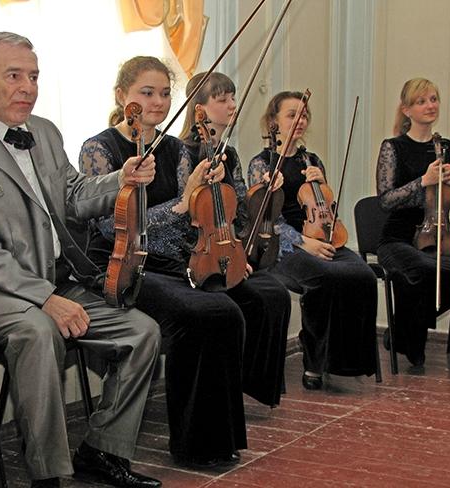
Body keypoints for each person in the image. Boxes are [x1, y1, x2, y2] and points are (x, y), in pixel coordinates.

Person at [0, 32, 162, 488]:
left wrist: (121, 179)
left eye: (33, 77)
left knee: (142, 332)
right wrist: (46, 299)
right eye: (14, 76)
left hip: (52, 280)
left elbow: (72, 195)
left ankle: (103, 451)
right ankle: (47, 477)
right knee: (38, 331)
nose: (28, 87)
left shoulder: (44, 132)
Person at [78, 57, 291, 468]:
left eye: (164, 93)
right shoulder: (98, 148)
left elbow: (185, 224)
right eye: (146, 92)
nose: (158, 101)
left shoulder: (175, 149)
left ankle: (218, 433)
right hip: (120, 262)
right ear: (122, 96)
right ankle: (197, 444)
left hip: (168, 257)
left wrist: (206, 215)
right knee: (209, 311)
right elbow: (110, 227)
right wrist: (182, 204)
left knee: (243, 300)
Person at [248, 91, 378, 390]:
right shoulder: (262, 164)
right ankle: (315, 362)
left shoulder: (311, 159)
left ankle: (347, 360)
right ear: (273, 120)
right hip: (282, 245)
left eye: (304, 115)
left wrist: (321, 183)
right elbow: (264, 219)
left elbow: (324, 206)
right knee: (325, 277)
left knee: (363, 275)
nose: (300, 120)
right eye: (292, 114)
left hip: (320, 234)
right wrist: (302, 242)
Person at [179, 71, 290, 406]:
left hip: (225, 248)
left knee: (276, 295)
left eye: (233, 97)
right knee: (251, 300)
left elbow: (239, 212)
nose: (232, 105)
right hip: (194, 255)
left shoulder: (231, 153)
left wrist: (262, 190)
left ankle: (252, 383)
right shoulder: (182, 151)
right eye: (222, 99)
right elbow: (184, 216)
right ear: (199, 107)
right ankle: (227, 387)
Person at [375, 77, 450, 367]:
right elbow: (386, 200)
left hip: (440, 235)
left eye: (433, 99)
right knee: (420, 269)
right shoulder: (393, 147)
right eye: (421, 101)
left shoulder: (449, 148)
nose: (430, 105)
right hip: (398, 237)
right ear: (407, 110)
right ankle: (411, 339)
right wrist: (423, 181)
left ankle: (401, 331)